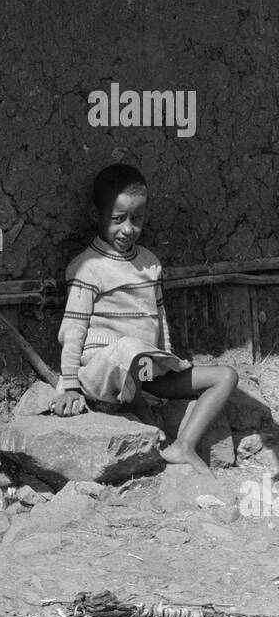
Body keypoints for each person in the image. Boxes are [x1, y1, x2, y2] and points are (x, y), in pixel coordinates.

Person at [53, 162, 237, 476]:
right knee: (129, 349)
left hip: (146, 367)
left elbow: (159, 318)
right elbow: (73, 329)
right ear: (96, 215)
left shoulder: (150, 263)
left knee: (226, 376)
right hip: (105, 369)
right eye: (118, 219)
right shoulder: (87, 268)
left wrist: (169, 360)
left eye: (136, 219)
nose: (128, 228)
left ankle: (184, 445)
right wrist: (69, 385)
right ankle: (150, 427)